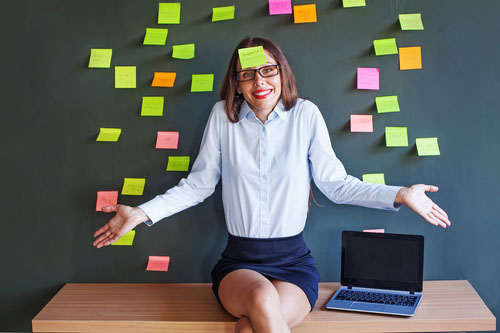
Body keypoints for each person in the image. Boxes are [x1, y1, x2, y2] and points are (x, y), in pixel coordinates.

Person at [93, 37, 451, 333]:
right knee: (262, 301)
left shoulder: (306, 115)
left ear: (282, 73)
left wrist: (401, 194)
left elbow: (337, 185)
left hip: (294, 264)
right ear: (237, 82)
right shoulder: (223, 117)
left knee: (251, 329)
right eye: (247, 75)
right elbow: (198, 186)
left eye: (267, 71)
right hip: (239, 265)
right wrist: (141, 213)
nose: (260, 82)